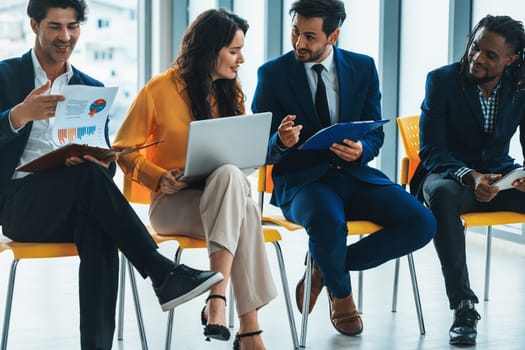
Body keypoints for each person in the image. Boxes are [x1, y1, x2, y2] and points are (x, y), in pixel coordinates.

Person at [0, 1, 223, 349]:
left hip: (75, 198)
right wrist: (17, 115)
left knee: (99, 219)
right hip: (21, 205)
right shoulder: (5, 76)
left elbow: (103, 160)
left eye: (72, 27)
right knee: (92, 190)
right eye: (55, 27)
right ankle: (160, 271)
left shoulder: (90, 88)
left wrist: (101, 160)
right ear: (34, 26)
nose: (65, 36)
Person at [251, 0, 436, 337]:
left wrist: (362, 149)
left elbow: (376, 134)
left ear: (333, 35)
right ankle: (343, 295)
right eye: (295, 32)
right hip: (302, 182)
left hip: (355, 175)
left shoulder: (363, 68)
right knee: (327, 222)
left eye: (310, 36)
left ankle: (325, 265)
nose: (299, 43)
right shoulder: (273, 74)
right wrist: (280, 142)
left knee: (422, 222)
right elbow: (257, 148)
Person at [113, 9, 277, 350]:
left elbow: (238, 158)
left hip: (221, 201)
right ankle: (246, 325)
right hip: (173, 204)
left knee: (231, 179)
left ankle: (222, 306)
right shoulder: (159, 89)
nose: (241, 59)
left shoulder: (232, 93)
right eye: (234, 51)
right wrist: (157, 177)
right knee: (242, 208)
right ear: (209, 50)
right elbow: (123, 149)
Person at [412, 15, 525, 346]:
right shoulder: (441, 81)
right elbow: (431, 150)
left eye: (490, 55)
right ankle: (463, 306)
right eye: (476, 47)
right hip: (447, 175)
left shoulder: (520, 88)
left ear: (511, 60)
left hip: (499, 177)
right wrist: (470, 176)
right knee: (443, 195)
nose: (477, 58)